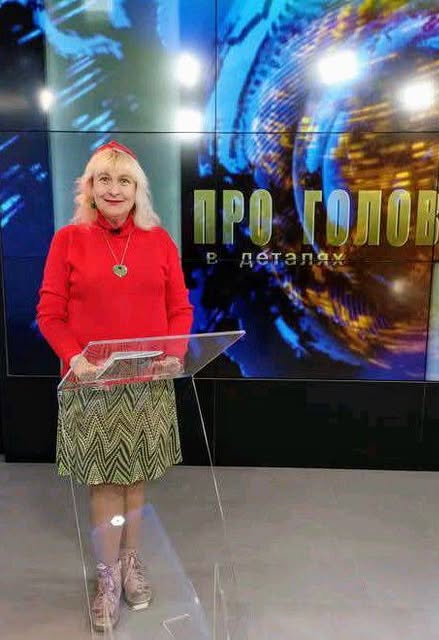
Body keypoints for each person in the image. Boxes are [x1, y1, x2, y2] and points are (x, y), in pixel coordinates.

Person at [36, 140, 193, 633]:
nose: (114, 189)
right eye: (104, 179)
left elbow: (180, 309)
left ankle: (130, 563)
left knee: (136, 479)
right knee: (105, 483)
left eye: (124, 180)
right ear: (89, 187)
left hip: (147, 382)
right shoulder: (68, 240)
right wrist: (74, 358)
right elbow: (50, 313)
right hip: (92, 383)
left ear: (137, 189)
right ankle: (106, 577)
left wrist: (174, 352)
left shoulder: (159, 241)